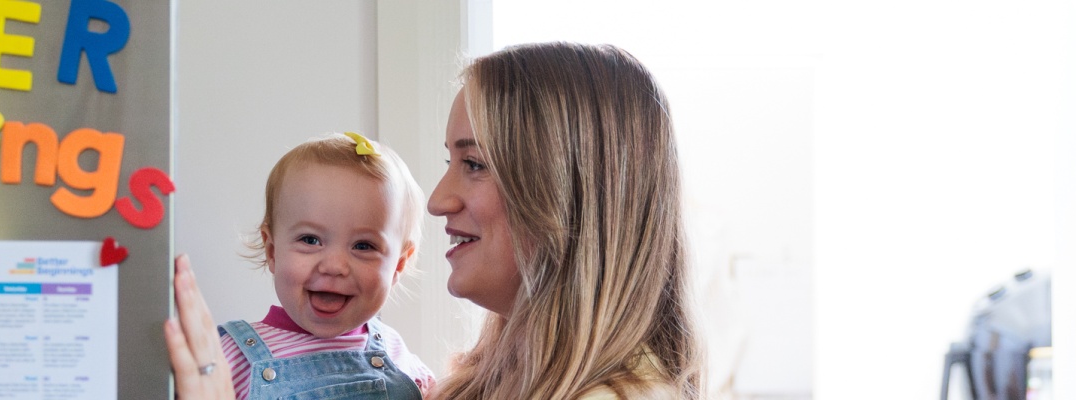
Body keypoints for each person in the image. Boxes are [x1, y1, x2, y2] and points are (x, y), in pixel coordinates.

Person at [167, 42, 698, 399]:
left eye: (473, 164)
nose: (439, 200)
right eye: (450, 162)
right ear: (271, 245)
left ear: (565, 192)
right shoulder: (491, 380)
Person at [214, 133, 436, 398]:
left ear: (398, 266)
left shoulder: (396, 352)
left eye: (363, 246)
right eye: (310, 240)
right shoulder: (230, 358)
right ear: (272, 251)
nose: (334, 266)